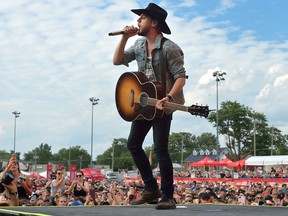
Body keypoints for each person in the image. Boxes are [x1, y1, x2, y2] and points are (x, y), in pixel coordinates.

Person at [113, 3, 186, 210]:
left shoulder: (170, 48)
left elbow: (181, 77)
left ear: (154, 23)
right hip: (143, 103)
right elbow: (117, 61)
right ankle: (151, 188)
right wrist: (124, 37)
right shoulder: (137, 45)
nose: (138, 21)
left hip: (163, 103)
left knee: (160, 148)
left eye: (142, 17)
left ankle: (168, 196)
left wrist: (169, 97)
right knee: (133, 144)